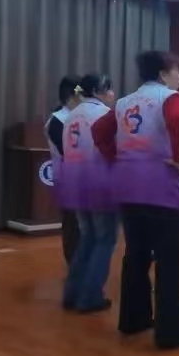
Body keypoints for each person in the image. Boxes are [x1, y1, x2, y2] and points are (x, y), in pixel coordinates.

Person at [93, 50, 179, 350]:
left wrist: (116, 157)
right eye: (176, 71)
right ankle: (170, 333)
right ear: (163, 74)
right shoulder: (170, 98)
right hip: (160, 189)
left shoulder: (124, 102)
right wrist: (178, 159)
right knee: (168, 261)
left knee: (135, 256)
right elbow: (177, 120)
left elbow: (98, 131)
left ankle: (133, 320)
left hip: (128, 188)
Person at [59, 74, 117, 313]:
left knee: (87, 239)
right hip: (100, 185)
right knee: (105, 240)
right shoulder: (104, 115)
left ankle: (72, 293)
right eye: (110, 89)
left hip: (75, 186)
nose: (113, 94)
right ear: (99, 90)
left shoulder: (71, 116)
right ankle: (90, 296)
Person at [45, 76, 82, 264]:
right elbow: (69, 153)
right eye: (82, 94)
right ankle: (75, 269)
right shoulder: (58, 121)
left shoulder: (77, 117)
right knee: (73, 229)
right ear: (71, 96)